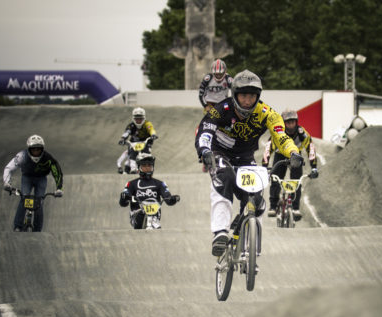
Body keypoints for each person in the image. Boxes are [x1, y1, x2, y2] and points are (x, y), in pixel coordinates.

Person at [195, 69, 304, 256]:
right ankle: (220, 232)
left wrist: (293, 152)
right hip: (220, 153)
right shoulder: (222, 109)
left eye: (252, 96)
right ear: (235, 95)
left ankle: (250, 246)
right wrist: (205, 151)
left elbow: (281, 136)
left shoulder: (267, 114)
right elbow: (205, 131)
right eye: (243, 96)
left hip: (246, 158)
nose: (247, 101)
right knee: (225, 178)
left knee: (257, 200)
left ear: (258, 96)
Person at [262, 109, 319, 220]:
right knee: (275, 179)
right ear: (283, 123)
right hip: (280, 155)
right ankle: (273, 206)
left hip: (296, 157)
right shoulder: (278, 133)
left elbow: (310, 148)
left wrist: (314, 167)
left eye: (293, 122)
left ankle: (295, 208)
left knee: (297, 181)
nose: (291, 125)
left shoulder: (302, 133)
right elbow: (268, 149)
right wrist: (264, 166)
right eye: (288, 122)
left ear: (296, 122)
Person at [3, 134, 63, 232]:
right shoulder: (22, 156)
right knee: (24, 198)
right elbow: (9, 168)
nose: (36, 152)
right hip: (27, 178)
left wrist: (59, 188)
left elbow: (57, 173)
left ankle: (38, 230)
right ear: (29, 149)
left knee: (39, 202)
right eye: (33, 149)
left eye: (38, 149)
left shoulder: (48, 158)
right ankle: (18, 226)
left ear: (42, 149)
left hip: (41, 179)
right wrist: (7, 183)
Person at [119, 153, 180, 229]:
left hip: (155, 216)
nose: (147, 168)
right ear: (139, 168)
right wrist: (124, 197)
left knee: (154, 222)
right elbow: (123, 202)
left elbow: (167, 198)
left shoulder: (160, 184)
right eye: (144, 166)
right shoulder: (131, 184)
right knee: (141, 215)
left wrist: (172, 199)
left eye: (149, 166)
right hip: (137, 214)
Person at [117, 107, 158, 174]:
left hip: (145, 142)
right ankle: (133, 169)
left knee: (147, 154)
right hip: (134, 143)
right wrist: (122, 139)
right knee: (132, 153)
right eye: (136, 118)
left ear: (144, 118)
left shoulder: (147, 124)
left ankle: (149, 168)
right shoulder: (131, 125)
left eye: (140, 118)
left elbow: (151, 129)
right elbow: (127, 132)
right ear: (133, 118)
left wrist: (153, 135)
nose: (138, 120)